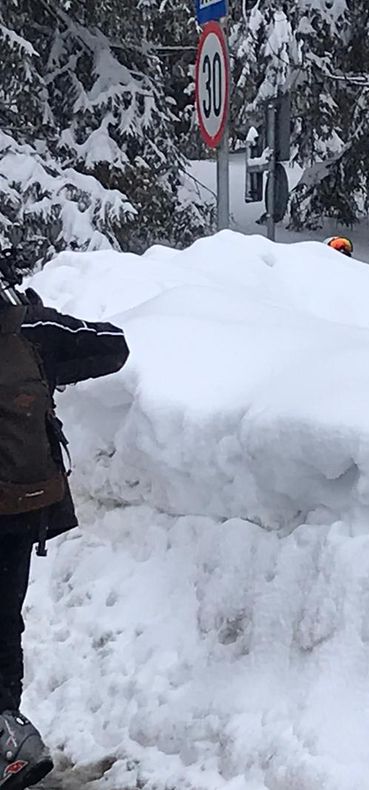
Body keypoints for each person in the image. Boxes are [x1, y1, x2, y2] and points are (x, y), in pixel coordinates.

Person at [0, 249, 129, 789]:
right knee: (3, 624)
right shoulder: (31, 332)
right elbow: (112, 347)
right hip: (15, 511)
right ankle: (6, 734)